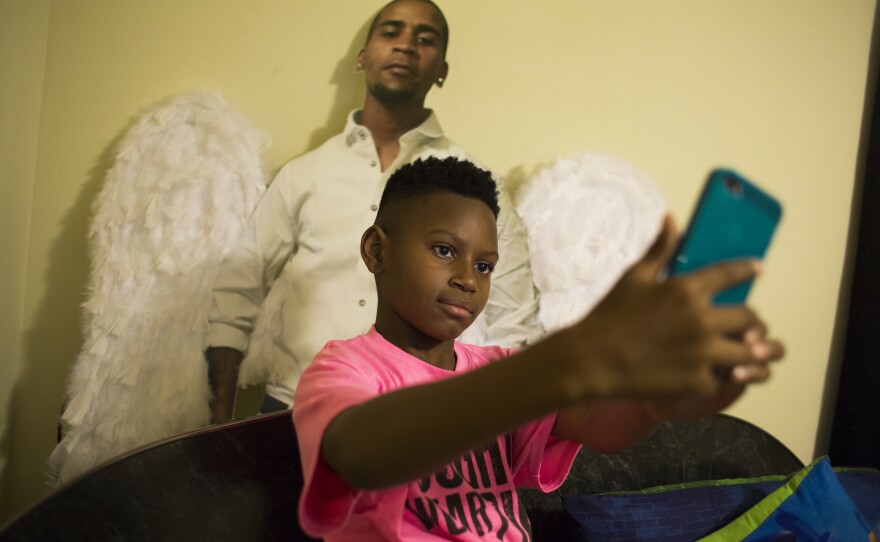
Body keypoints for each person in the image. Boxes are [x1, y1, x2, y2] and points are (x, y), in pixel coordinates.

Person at [293, 156, 784, 540]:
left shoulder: (501, 367)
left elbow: (598, 424)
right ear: (377, 250)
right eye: (445, 251)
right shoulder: (343, 369)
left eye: (485, 266)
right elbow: (357, 454)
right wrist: (573, 355)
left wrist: (652, 401)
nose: (467, 279)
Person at [204, 0, 539, 422]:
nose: (405, 46)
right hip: (291, 415)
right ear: (362, 58)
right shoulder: (304, 176)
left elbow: (515, 325)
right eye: (391, 32)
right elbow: (237, 294)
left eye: (424, 38)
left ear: (442, 70)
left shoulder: (475, 190)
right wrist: (215, 430)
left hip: (427, 423)